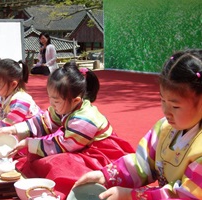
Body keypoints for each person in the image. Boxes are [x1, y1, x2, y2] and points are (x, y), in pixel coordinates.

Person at [74, 49, 202, 200]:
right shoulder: (164, 127)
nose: (166, 111)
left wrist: (131, 196)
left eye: (175, 106)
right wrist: (105, 176)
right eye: (162, 100)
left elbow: (186, 196)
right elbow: (143, 162)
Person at [0, 62, 134, 199]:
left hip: (102, 154)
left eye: (56, 101)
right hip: (78, 144)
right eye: (50, 99)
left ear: (75, 100)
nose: (51, 105)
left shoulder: (85, 119)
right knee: (39, 154)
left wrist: (29, 143)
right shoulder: (67, 106)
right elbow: (44, 121)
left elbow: (63, 145)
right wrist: (14, 129)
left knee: (58, 165)